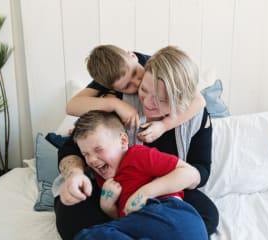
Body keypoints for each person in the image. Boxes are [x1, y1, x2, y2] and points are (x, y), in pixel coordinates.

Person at [54, 46, 219, 239]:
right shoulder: (118, 96)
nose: (148, 103)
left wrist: (157, 187)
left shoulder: (194, 116)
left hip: (165, 189)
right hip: (111, 187)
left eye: (162, 100)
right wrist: (75, 174)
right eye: (144, 90)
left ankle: (118, 230)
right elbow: (73, 146)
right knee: (70, 214)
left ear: (181, 99)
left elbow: (201, 169)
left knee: (206, 216)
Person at [72, 110, 208, 240]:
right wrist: (108, 208)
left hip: (173, 215)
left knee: (88, 236)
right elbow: (127, 221)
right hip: (148, 227)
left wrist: (144, 193)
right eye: (86, 154)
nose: (92, 160)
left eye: (98, 149)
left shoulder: (138, 156)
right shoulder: (103, 178)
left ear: (123, 141)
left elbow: (189, 173)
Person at [66, 44, 206, 143]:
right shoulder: (110, 78)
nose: (137, 82)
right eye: (127, 86)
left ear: (132, 56)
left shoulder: (154, 65)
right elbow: (71, 106)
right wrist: (115, 104)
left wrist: (164, 126)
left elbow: (199, 101)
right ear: (110, 87)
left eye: (135, 73)